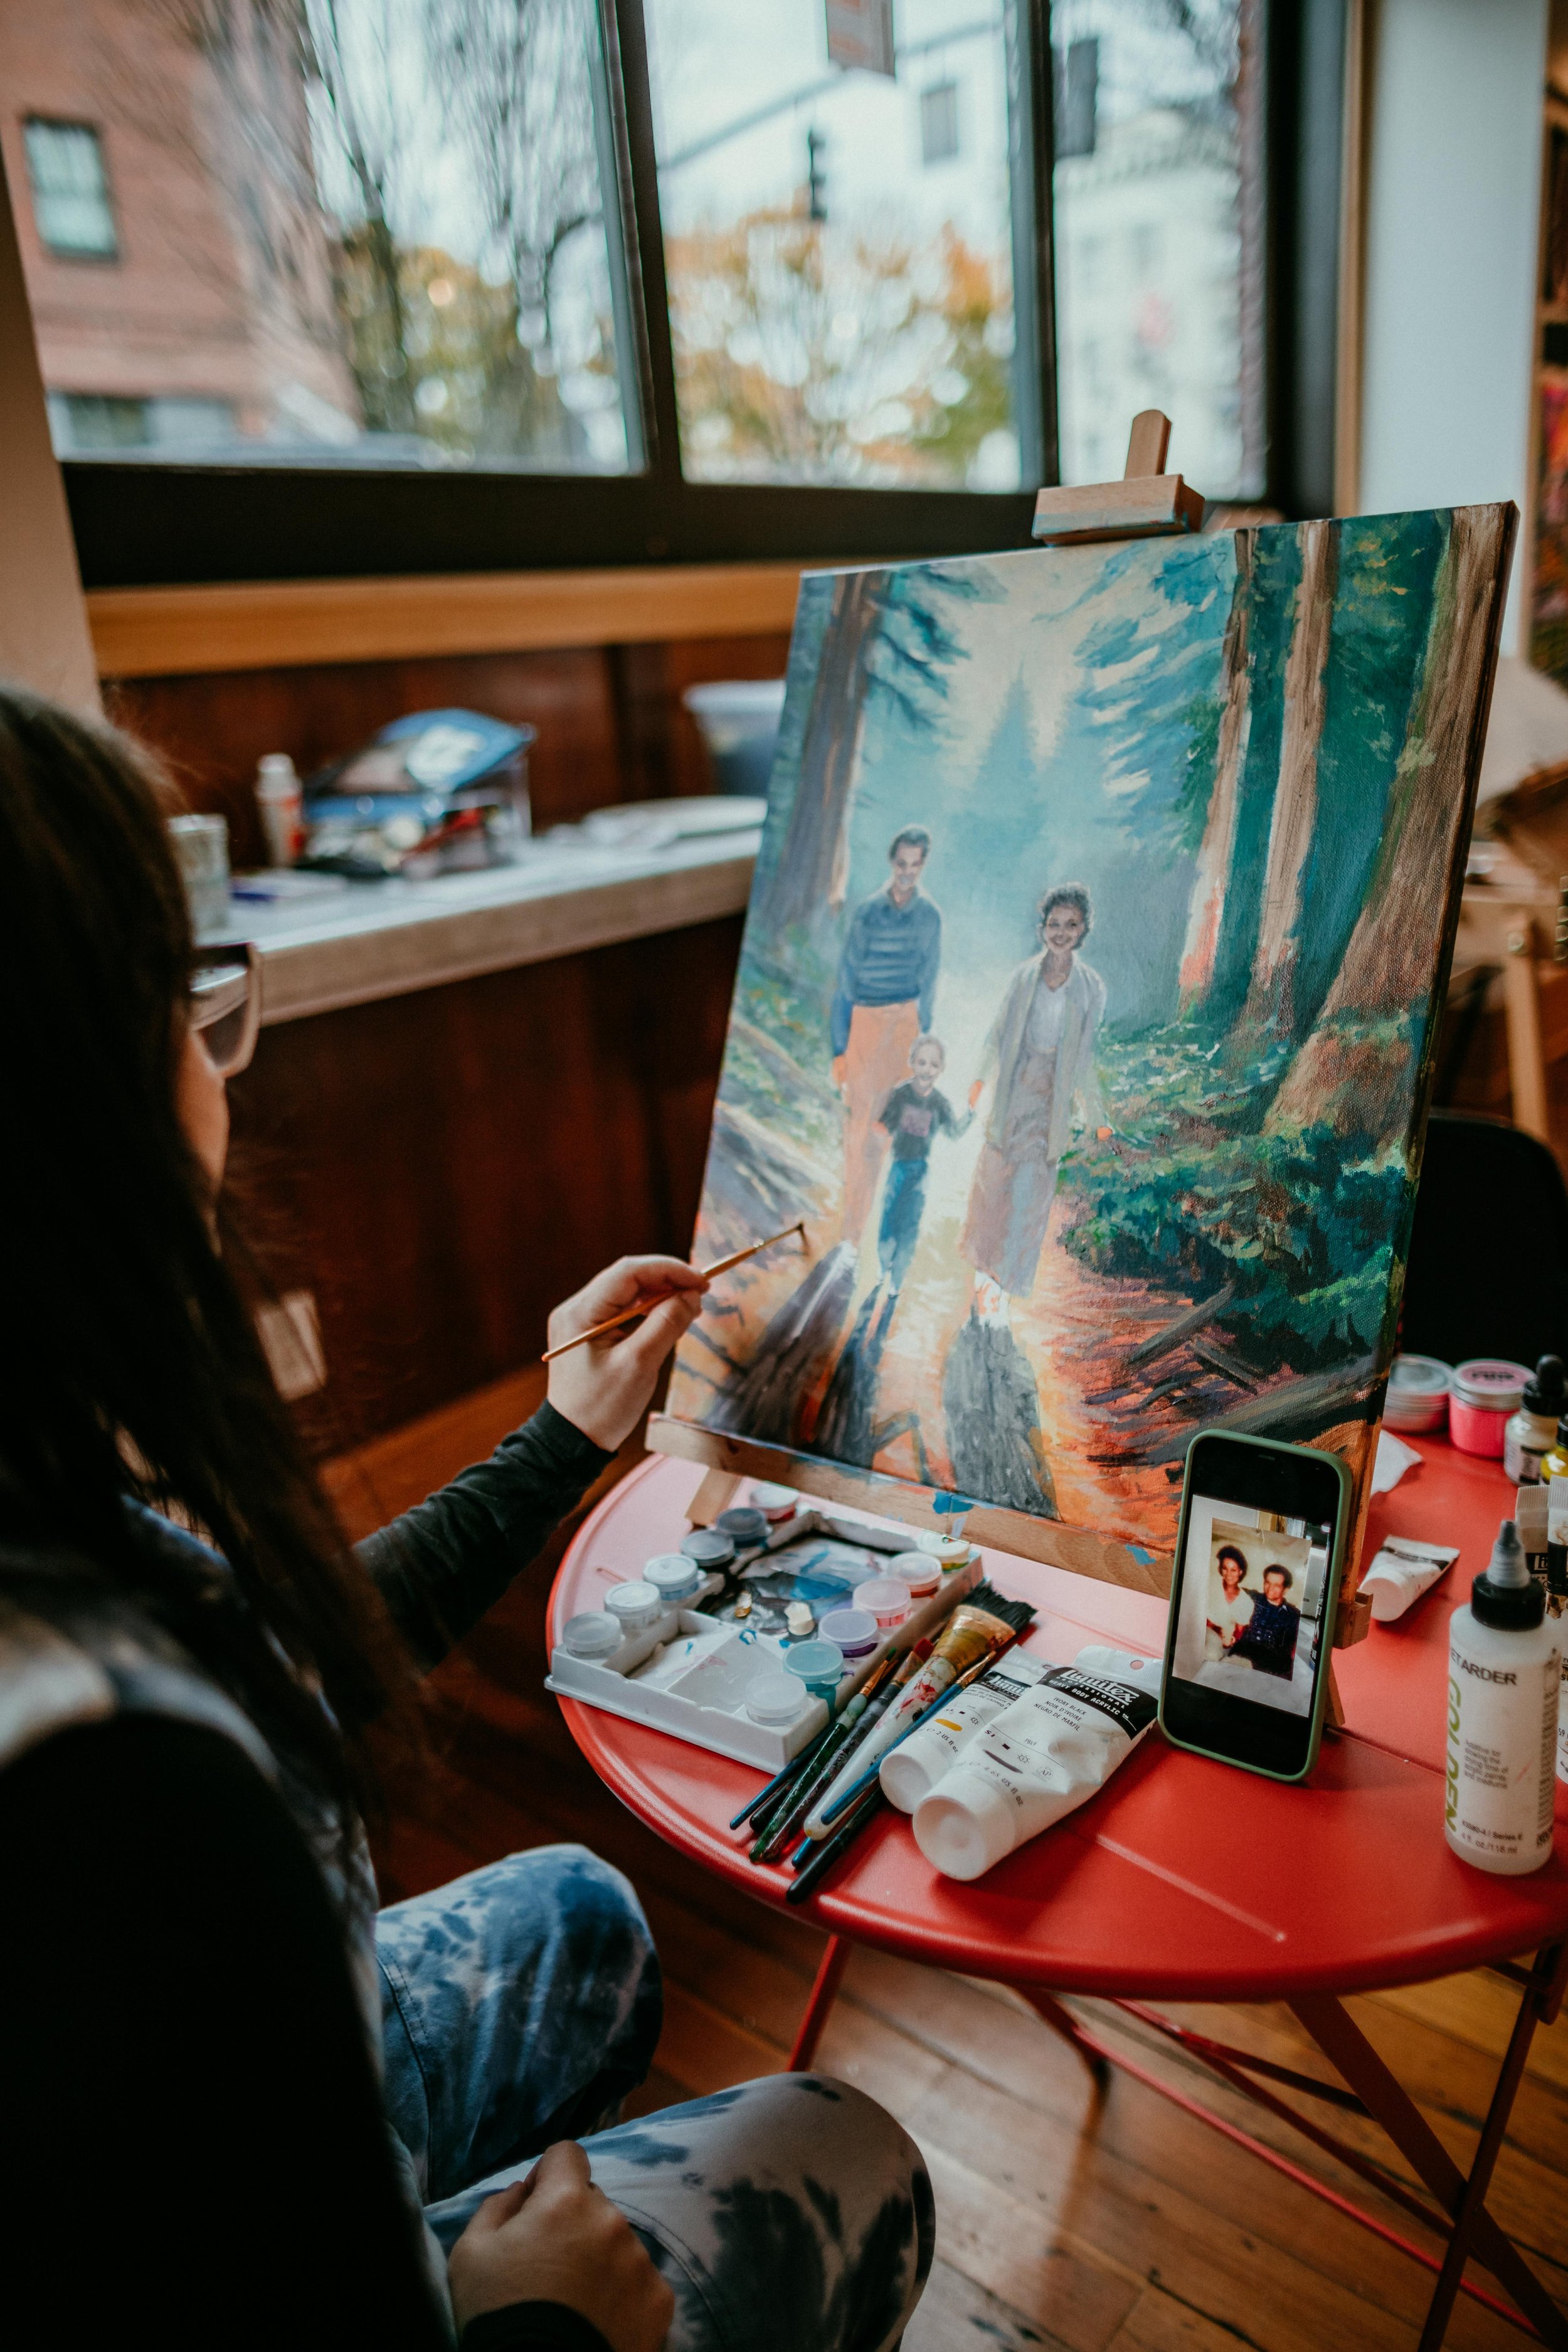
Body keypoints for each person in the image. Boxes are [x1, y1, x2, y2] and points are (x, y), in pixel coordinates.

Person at [0, 688, 933, 2352]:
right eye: (185, 1005)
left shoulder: (45, 1495)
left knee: (581, 1909)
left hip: (214, 2116)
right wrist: (535, 2323)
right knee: (847, 2152)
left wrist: (557, 1438)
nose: (216, 1073)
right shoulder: (116, 1807)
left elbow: (286, 1655)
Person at [960, 882, 1116, 1323]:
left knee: (1030, 1201)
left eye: (1071, 925)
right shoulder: (1023, 977)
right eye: (1054, 924)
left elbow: (1085, 1059)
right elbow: (996, 1035)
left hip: (1051, 1105)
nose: (1061, 932)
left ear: (1083, 930)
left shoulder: (1091, 989)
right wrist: (979, 1081)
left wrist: (1097, 1119)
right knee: (993, 1191)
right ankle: (984, 1284)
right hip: (1013, 1095)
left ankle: (1003, 1295)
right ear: (1042, 928)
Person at [830, 825, 943, 1246]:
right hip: (865, 1019)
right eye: (901, 864)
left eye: (915, 865)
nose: (907, 873)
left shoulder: (930, 916)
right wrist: (839, 1047)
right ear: (891, 862)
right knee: (857, 1123)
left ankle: (864, 1235)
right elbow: (845, 982)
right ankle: (849, 1228)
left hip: (905, 1024)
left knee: (884, 1127)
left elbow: (929, 981)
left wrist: (920, 1048)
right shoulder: (867, 913)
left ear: (923, 865)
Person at [873, 1034, 973, 1295]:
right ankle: (883, 1265)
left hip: (921, 1171)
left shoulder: (940, 1103)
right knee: (889, 1217)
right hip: (898, 1167)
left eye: (933, 1065)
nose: (927, 1070)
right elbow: (883, 1125)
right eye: (922, 1062)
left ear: (941, 1069)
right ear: (913, 1063)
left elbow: (954, 1132)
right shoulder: (900, 1094)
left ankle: (898, 1277)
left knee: (910, 1224)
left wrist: (971, 1112)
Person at [1230, 1565, 1302, 1680]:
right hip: (1244, 1653)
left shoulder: (1293, 1615)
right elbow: (1231, 1591)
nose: (1270, 1588)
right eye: (1268, 1583)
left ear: (1286, 1589)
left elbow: (1288, 1651)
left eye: (1277, 1585)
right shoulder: (1252, 1598)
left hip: (1272, 1665)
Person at [1204, 1543, 1257, 1663]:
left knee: (1211, 1655)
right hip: (1200, 1632)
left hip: (1222, 1642)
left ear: (1241, 1572)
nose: (1228, 1574)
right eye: (1225, 1568)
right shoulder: (1212, 1586)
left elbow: (1237, 1634)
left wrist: (1225, 1638)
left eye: (1233, 1570)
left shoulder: (1246, 1602)